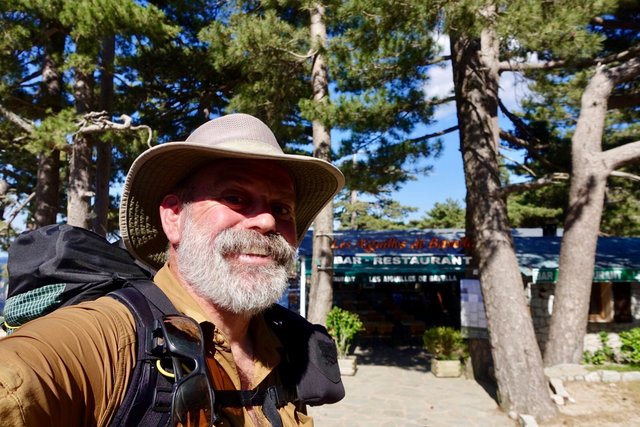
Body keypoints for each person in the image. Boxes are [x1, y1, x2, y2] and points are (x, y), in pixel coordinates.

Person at [0, 113, 345, 426]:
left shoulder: (284, 346)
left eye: (282, 208)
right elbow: (19, 380)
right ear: (174, 217)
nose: (269, 220)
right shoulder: (112, 339)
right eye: (235, 198)